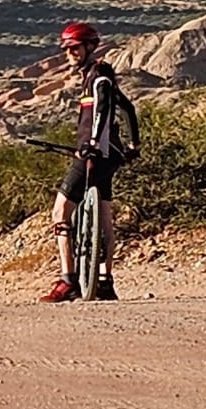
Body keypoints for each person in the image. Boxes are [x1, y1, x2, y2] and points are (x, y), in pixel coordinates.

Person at [42, 21, 138, 303]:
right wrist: (134, 145)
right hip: (110, 156)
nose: (69, 53)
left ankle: (68, 280)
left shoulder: (98, 76)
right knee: (105, 217)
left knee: (60, 212)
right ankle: (105, 282)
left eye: (74, 48)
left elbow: (105, 107)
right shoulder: (97, 75)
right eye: (66, 49)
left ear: (89, 47)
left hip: (93, 154)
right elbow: (127, 108)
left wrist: (94, 142)